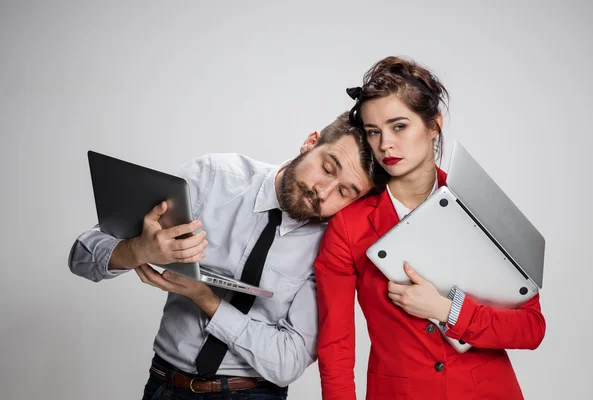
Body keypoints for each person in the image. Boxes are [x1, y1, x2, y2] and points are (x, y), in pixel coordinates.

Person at [68, 112, 377, 400]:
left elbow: (289, 362)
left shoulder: (333, 245)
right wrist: (137, 250)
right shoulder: (213, 177)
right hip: (166, 384)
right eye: (326, 168)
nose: (323, 192)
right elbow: (81, 257)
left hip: (255, 393)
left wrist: (207, 300)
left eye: (345, 191)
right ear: (311, 142)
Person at [314, 57, 546, 400]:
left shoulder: (479, 203)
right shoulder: (348, 227)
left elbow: (531, 329)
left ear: (433, 125)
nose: (385, 144)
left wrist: (445, 310)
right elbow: (336, 344)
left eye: (399, 126)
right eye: (373, 131)